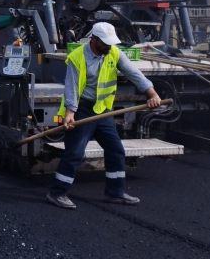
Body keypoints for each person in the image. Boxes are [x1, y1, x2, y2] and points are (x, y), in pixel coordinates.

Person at [47, 22, 163, 210]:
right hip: (83, 109)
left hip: (102, 110)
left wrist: (152, 93)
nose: (109, 46)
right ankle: (57, 193)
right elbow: (72, 87)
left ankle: (114, 192)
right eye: (105, 43)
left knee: (116, 150)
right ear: (93, 39)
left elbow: (134, 73)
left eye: (111, 42)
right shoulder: (77, 57)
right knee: (75, 153)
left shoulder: (113, 52)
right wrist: (70, 113)